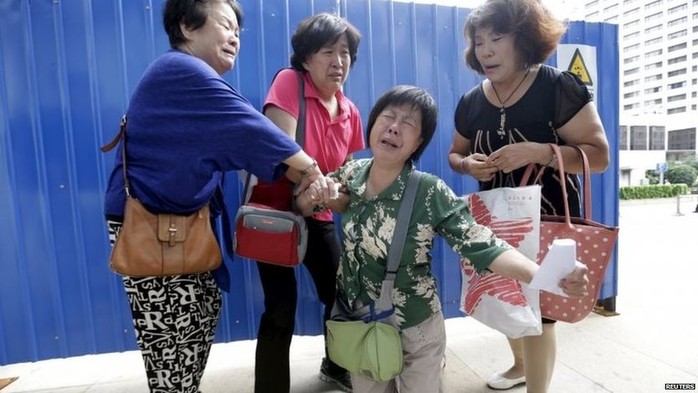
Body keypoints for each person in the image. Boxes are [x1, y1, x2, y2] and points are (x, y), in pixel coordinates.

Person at [297, 85, 590, 393]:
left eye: (408, 123)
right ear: (372, 124)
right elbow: (303, 205)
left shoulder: (429, 192)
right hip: (360, 321)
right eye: (388, 116)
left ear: (417, 143)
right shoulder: (350, 175)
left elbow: (481, 242)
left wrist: (543, 274)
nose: (395, 127)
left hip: (414, 327)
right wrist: (313, 197)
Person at [102, 1, 331, 392]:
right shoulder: (180, 70)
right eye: (226, 25)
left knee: (197, 324)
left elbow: (240, 137)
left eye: (239, 32)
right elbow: (250, 128)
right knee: (172, 349)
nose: (235, 38)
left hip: (185, 225)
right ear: (189, 26)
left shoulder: (195, 79)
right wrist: (311, 171)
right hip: (153, 227)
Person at [447, 0, 610, 392]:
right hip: (495, 220)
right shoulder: (471, 102)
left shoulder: (557, 87)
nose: (485, 50)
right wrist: (469, 165)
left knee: (541, 310)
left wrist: (540, 152)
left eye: (496, 39)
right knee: (506, 298)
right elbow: (455, 154)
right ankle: (519, 365)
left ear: (525, 39)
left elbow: (599, 156)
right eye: (478, 41)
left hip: (549, 219)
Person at [249, 12, 364, 393]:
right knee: (281, 308)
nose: (338, 61)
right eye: (327, 51)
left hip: (318, 212)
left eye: (345, 52)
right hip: (276, 212)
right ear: (306, 57)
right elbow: (280, 151)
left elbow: (345, 170)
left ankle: (336, 366)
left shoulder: (350, 111)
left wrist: (336, 191)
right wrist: (315, 181)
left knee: (339, 293)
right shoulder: (289, 82)